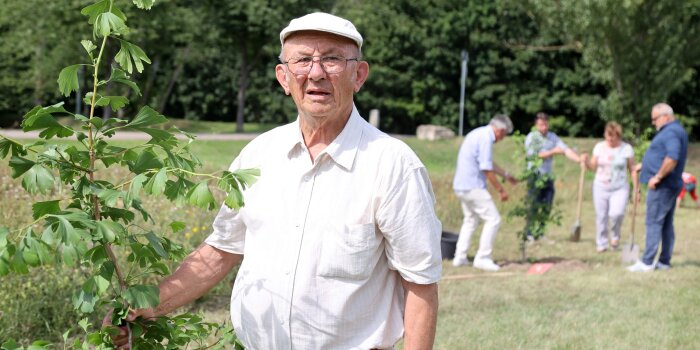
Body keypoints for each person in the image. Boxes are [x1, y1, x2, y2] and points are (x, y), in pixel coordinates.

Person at [105, 12, 442, 349]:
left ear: (359, 75)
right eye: (303, 60)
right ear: (283, 77)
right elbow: (222, 249)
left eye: (332, 59)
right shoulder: (258, 155)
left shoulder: (392, 164)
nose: (316, 72)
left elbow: (421, 283)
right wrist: (144, 306)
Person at [452, 115, 518, 271]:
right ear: (500, 130)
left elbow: (487, 162)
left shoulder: (478, 133)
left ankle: (459, 257)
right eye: (504, 134)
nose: (503, 138)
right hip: (473, 186)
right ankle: (483, 258)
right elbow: (486, 169)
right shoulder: (486, 138)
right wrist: (501, 190)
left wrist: (506, 175)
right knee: (493, 219)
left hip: (461, 186)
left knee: (470, 220)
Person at [628, 103, 688, 272]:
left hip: (663, 186)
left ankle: (647, 262)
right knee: (666, 224)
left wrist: (658, 176)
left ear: (666, 116)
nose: (653, 123)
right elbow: (663, 156)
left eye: (655, 119)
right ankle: (664, 261)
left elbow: (672, 158)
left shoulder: (671, 132)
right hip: (669, 185)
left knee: (653, 222)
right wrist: (645, 165)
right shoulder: (674, 130)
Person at [524, 112, 587, 239]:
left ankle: (540, 232)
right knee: (534, 205)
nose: (544, 127)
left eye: (546, 124)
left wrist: (579, 160)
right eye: (541, 125)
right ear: (536, 125)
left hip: (547, 176)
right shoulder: (532, 137)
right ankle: (530, 233)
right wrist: (553, 151)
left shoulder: (552, 137)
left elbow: (565, 150)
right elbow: (535, 155)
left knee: (547, 205)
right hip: (535, 176)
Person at [584, 122, 635, 252]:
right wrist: (586, 161)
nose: (611, 139)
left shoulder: (626, 149)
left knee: (616, 214)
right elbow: (593, 167)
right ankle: (601, 243)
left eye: (614, 137)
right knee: (601, 216)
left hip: (620, 187)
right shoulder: (599, 147)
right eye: (608, 136)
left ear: (619, 136)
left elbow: (632, 169)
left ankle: (615, 236)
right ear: (605, 135)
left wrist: (636, 187)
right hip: (600, 186)